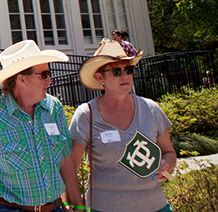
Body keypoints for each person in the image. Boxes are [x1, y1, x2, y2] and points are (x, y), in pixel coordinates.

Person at [0, 40, 82, 212]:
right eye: (44, 74)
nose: (49, 80)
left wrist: (78, 205)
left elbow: (65, 159)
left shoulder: (53, 108)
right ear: (22, 79)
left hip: (55, 208)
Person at [68, 39, 175, 212]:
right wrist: (73, 202)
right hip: (104, 207)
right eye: (116, 71)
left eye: (129, 70)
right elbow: (70, 166)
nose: (125, 76)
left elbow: (169, 152)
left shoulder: (151, 109)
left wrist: (167, 164)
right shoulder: (86, 115)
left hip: (156, 206)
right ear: (100, 77)